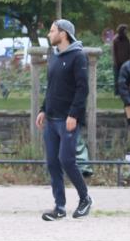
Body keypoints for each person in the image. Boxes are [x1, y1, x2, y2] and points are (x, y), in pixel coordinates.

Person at [36, 20, 92, 220]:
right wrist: (43, 109)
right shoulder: (54, 56)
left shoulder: (78, 56)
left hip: (67, 119)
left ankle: (85, 198)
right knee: (52, 162)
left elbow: (82, 89)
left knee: (66, 160)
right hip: (51, 119)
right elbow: (51, 87)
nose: (49, 34)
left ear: (64, 33)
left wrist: (74, 114)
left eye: (52, 30)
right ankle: (59, 207)